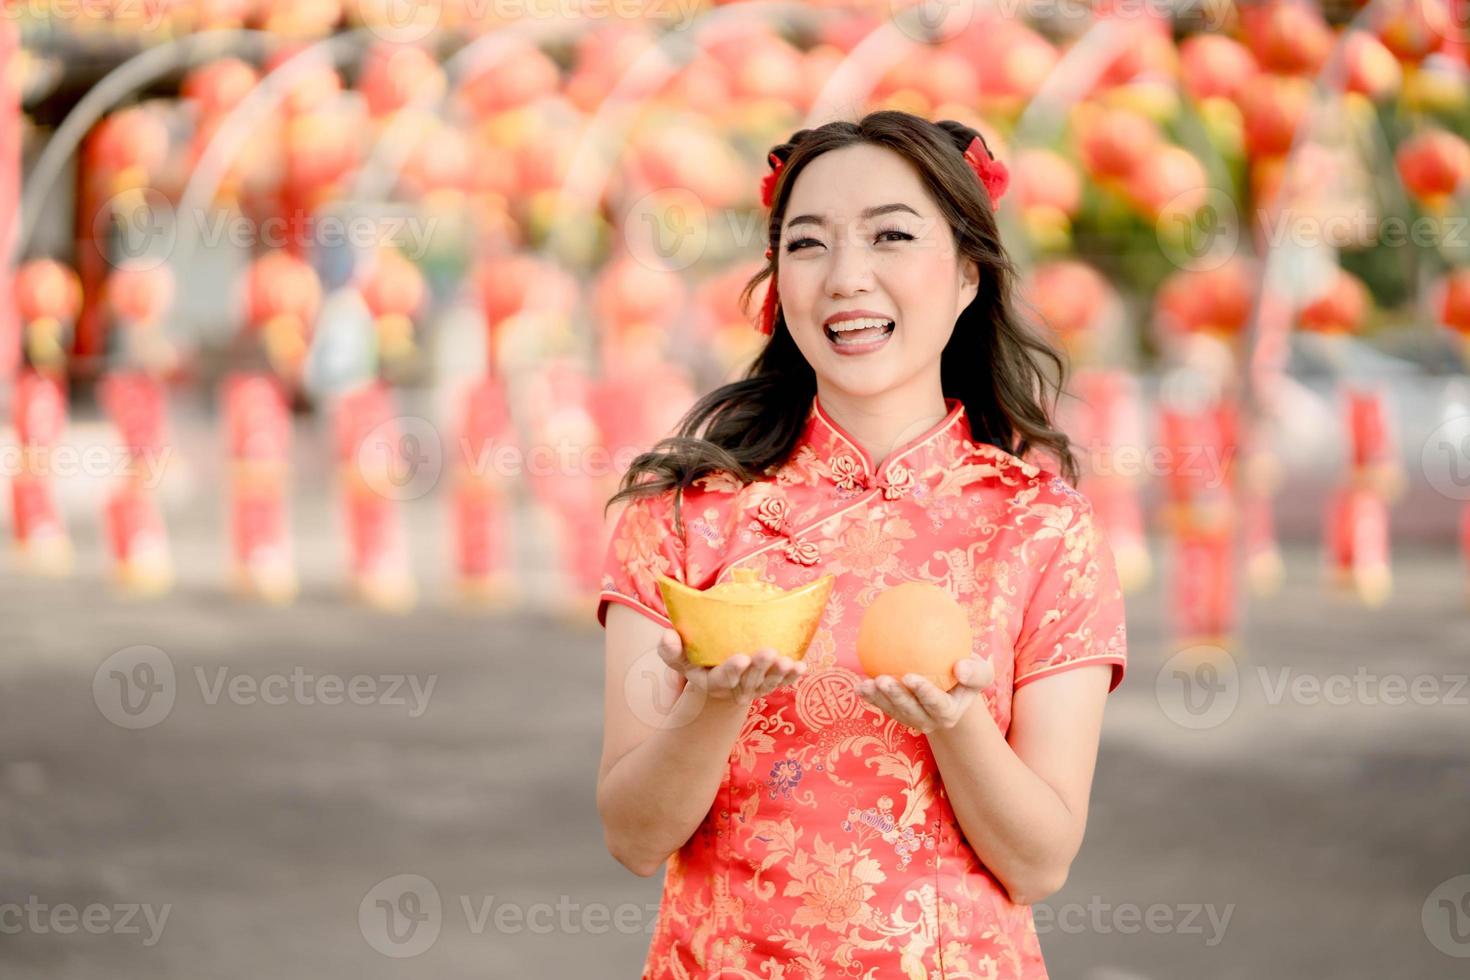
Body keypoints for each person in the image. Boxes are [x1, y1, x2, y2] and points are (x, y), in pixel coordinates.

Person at [595, 110, 1128, 979]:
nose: (847, 276)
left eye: (890, 236)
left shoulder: (1042, 527)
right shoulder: (687, 514)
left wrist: (957, 726)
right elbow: (631, 836)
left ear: (966, 275)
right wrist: (714, 704)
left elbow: (1040, 862)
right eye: (808, 244)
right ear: (777, 283)